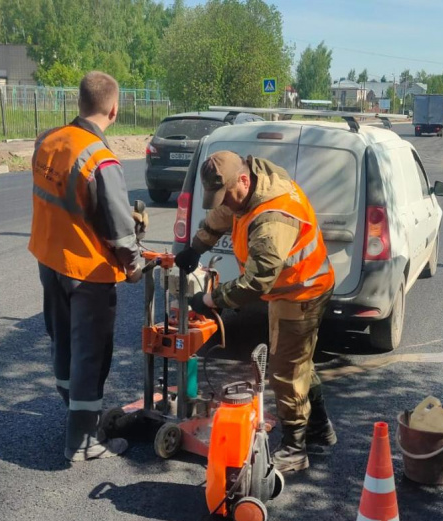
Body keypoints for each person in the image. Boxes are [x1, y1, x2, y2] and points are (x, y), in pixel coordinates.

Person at [174, 151, 335, 473]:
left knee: (285, 371)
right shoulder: (249, 188)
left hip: (302, 292)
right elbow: (224, 213)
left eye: (229, 195)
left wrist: (211, 301)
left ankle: (295, 448)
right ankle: (320, 428)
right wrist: (196, 247)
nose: (228, 203)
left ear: (244, 181)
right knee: (297, 361)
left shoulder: (274, 216)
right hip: (289, 289)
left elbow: (256, 282)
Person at [29, 71, 146, 463]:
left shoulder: (48, 141)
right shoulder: (100, 158)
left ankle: (72, 408)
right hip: (87, 272)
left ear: (79, 103)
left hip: (50, 261)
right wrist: (134, 267)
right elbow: (119, 233)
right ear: (114, 109)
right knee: (90, 353)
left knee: (61, 340)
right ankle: (82, 443)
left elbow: (74, 202)